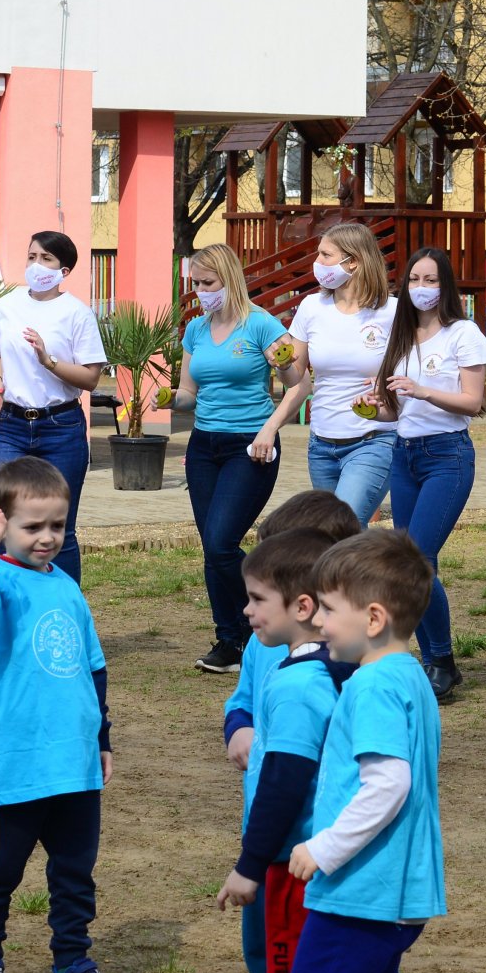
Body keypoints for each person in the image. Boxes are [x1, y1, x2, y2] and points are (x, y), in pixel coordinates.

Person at [0, 457, 127, 973]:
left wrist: (102, 737)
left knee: (75, 873)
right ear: (0, 523)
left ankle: (73, 967)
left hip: (74, 760)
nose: (48, 537)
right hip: (19, 762)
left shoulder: (68, 587)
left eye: (57, 525)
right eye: (33, 527)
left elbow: (93, 667)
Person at [285, 531, 445, 973]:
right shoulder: (410, 674)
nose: (318, 621)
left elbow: (389, 784)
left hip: (363, 892)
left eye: (330, 610)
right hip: (392, 890)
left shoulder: (373, 685)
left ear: (374, 618)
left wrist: (324, 848)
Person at [224, 492, 362, 973]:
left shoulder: (315, 677)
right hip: (276, 840)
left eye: (259, 597)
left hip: (290, 852)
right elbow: (241, 703)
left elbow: (287, 777)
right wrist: (240, 727)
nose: (247, 610)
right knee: (274, 958)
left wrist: (250, 863)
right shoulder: (268, 644)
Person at [368, 247, 486, 702]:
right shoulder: (399, 337)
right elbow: (393, 406)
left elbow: (473, 401)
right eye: (414, 279)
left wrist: (422, 390)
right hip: (405, 454)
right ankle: (436, 661)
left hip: (448, 456)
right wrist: (374, 406)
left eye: (431, 280)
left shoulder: (464, 333)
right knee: (413, 564)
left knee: (417, 558)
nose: (422, 289)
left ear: (447, 286)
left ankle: (440, 661)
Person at [177, 242, 301, 675]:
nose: (201, 291)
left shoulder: (262, 324)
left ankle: (274, 610)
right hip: (203, 447)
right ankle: (231, 639)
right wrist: (160, 399)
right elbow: (187, 394)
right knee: (213, 549)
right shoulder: (195, 329)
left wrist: (283, 368)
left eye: (207, 283)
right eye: (195, 284)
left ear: (229, 279)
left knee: (220, 541)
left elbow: (298, 382)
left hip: (250, 445)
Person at [0, 231, 108, 584]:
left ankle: (63, 609)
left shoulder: (77, 314)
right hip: (12, 425)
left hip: (61, 427)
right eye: (31, 257)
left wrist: (47, 360)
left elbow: (91, 379)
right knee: (2, 519)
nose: (36, 266)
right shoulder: (8, 305)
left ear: (64, 270)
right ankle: (0, 608)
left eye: (46, 259)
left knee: (61, 527)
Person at [287, 224, 399, 524]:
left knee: (341, 529)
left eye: (325, 255)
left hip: (374, 441)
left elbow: (415, 367)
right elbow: (294, 376)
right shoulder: (311, 307)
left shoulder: (393, 311)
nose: (317, 262)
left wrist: (390, 382)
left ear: (354, 261)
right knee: (329, 539)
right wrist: (282, 363)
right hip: (321, 444)